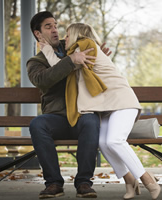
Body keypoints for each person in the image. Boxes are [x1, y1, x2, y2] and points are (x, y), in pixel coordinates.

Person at [40, 22, 161, 200]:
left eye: (68, 34)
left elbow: (60, 65)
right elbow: (62, 67)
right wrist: (48, 50)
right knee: (103, 143)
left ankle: (147, 179)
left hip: (121, 102)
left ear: (77, 35)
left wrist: (47, 50)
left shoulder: (85, 45)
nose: (65, 38)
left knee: (114, 141)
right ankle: (129, 180)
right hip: (106, 108)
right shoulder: (79, 52)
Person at [27, 11, 111, 199]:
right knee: (37, 124)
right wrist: (71, 61)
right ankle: (54, 183)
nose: (55, 30)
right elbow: (43, 80)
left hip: (81, 116)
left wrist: (99, 58)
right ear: (38, 34)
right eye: (48, 27)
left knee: (91, 121)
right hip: (57, 119)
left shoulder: (75, 48)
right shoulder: (36, 62)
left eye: (56, 25)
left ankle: (83, 183)